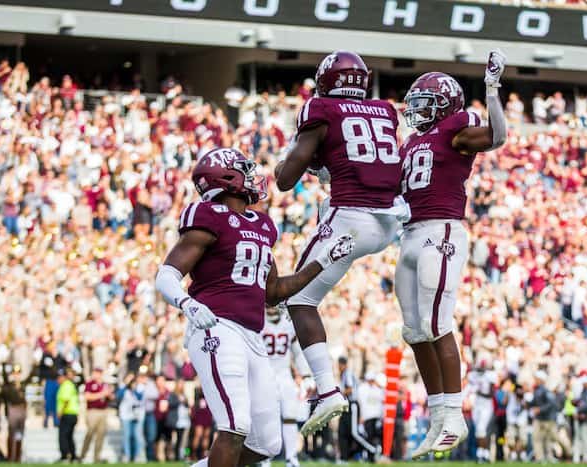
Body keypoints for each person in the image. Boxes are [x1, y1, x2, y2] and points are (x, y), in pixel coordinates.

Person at [155, 147, 355, 467]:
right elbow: (166, 275)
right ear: (227, 178)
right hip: (216, 327)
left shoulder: (261, 225)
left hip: (251, 334)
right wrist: (188, 305)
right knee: (235, 426)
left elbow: (274, 293)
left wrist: (323, 260)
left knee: (267, 443)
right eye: (244, 170)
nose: (253, 176)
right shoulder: (208, 216)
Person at [274, 51, 405, 436]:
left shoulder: (320, 110)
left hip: (351, 218)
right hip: (389, 221)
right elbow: (365, 160)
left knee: (297, 298)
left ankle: (327, 389)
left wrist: (297, 156)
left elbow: (284, 180)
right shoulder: (384, 111)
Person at [396, 49, 507, 458]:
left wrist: (491, 90)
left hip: (440, 231)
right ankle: (439, 414)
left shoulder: (455, 129)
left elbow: (497, 137)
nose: (417, 110)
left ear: (444, 105)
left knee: (436, 322)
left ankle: (455, 415)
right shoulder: (411, 142)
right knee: (413, 331)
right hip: (409, 234)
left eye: (425, 103)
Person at [261, 305, 310, 467]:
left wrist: (306, 375)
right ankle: (265, 457)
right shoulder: (258, 321)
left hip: (284, 375)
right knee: (267, 418)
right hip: (265, 376)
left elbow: (298, 352)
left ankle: (291, 457)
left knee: (290, 416)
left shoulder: (288, 323)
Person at [81, 367, 113, 462]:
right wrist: (101, 394)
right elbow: (87, 396)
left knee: (100, 435)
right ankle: (82, 455)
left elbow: (111, 397)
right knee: (90, 433)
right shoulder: (90, 384)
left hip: (103, 411)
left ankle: (97, 458)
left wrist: (109, 394)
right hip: (93, 411)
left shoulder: (105, 384)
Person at [2, 365, 29, 462]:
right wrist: (4, 365)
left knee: (19, 434)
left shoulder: (23, 384)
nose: (16, 375)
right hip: (13, 409)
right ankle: (10, 456)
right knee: (11, 433)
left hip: (22, 409)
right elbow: (5, 381)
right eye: (15, 373)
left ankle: (18, 456)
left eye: (18, 373)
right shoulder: (10, 385)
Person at [357, 372, 384, 462]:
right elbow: (361, 403)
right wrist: (361, 416)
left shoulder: (378, 389)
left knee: (375, 437)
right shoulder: (362, 388)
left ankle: (374, 456)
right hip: (367, 417)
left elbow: (380, 402)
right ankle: (369, 456)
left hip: (376, 417)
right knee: (368, 437)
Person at [56, 367, 80, 463]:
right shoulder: (69, 385)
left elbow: (66, 400)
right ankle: (73, 456)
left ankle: (65, 456)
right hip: (72, 414)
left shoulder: (66, 385)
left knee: (63, 436)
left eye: (59, 377)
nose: (58, 379)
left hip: (68, 414)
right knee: (69, 436)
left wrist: (60, 412)